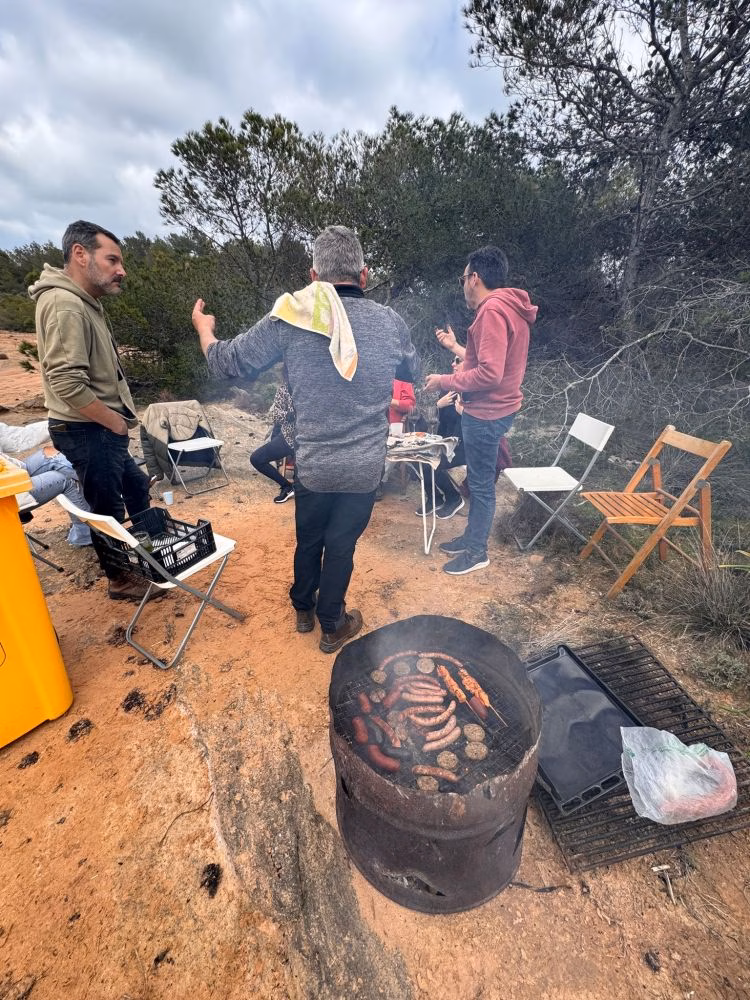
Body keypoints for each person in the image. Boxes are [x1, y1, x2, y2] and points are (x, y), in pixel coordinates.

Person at [191, 225, 421, 652]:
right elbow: (411, 374)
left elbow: (229, 363)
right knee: (341, 548)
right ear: (364, 276)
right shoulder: (390, 323)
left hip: (313, 464)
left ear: (314, 276)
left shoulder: (291, 317)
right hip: (362, 469)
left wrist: (204, 329)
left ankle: (303, 608)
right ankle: (332, 624)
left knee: (309, 540)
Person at [28, 220, 152, 600]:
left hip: (95, 427)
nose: (121, 270)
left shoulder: (83, 302)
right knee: (106, 508)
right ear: (80, 255)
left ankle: (149, 550)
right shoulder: (66, 305)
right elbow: (67, 382)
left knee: (136, 485)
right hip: (88, 428)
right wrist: (115, 422)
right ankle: (121, 580)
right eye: (112, 259)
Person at [425, 245, 537, 575]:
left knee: (482, 485)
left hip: (487, 413)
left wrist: (446, 380)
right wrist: (459, 359)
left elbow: (490, 373)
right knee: (478, 480)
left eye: (463, 278)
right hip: (498, 407)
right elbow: (492, 365)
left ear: (474, 278)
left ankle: (477, 552)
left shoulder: (492, 311)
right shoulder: (510, 308)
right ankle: (471, 538)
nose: (463, 285)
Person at [0, 420, 92, 545]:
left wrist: (60, 422)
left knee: (51, 454)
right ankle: (86, 536)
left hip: (12, 472)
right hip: (6, 494)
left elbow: (16, 438)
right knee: (65, 478)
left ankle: (107, 489)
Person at [418, 356, 466, 520]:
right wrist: (438, 406)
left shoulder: (475, 392)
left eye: (458, 361)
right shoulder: (449, 390)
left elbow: (483, 424)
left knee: (434, 463)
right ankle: (434, 498)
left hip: (466, 448)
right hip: (446, 443)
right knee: (419, 458)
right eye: (453, 360)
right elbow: (426, 420)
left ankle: (454, 498)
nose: (453, 364)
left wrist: (464, 414)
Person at [250, 375, 296, 503]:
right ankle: (287, 486)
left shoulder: (314, 387)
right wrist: (290, 415)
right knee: (256, 458)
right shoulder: (285, 388)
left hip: (311, 439)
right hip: (289, 437)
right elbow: (276, 415)